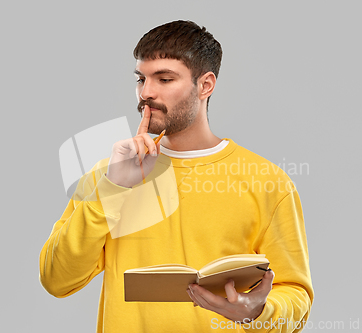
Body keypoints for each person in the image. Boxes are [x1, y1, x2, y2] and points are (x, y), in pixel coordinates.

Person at [39, 20, 313, 332]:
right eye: (141, 79)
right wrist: (112, 188)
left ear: (205, 85)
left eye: (164, 79)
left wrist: (258, 312)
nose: (146, 93)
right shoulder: (108, 175)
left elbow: (297, 299)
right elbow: (56, 279)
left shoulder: (268, 182)